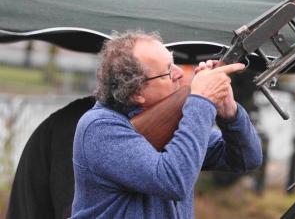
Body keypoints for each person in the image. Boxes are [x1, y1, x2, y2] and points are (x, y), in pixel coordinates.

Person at [71, 30, 262, 218]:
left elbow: (248, 158)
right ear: (137, 92)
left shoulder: (172, 120)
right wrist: (201, 101)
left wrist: (229, 112)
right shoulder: (99, 127)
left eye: (174, 63)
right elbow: (173, 181)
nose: (180, 73)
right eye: (168, 71)